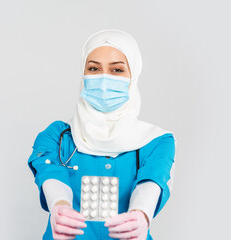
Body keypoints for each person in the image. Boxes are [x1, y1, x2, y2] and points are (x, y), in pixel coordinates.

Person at [27, 29, 176, 240]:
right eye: (94, 68)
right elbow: (50, 174)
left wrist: (141, 215)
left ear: (133, 75)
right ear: (83, 72)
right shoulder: (57, 135)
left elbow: (153, 180)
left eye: (116, 70)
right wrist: (59, 205)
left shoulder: (156, 140)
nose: (104, 80)